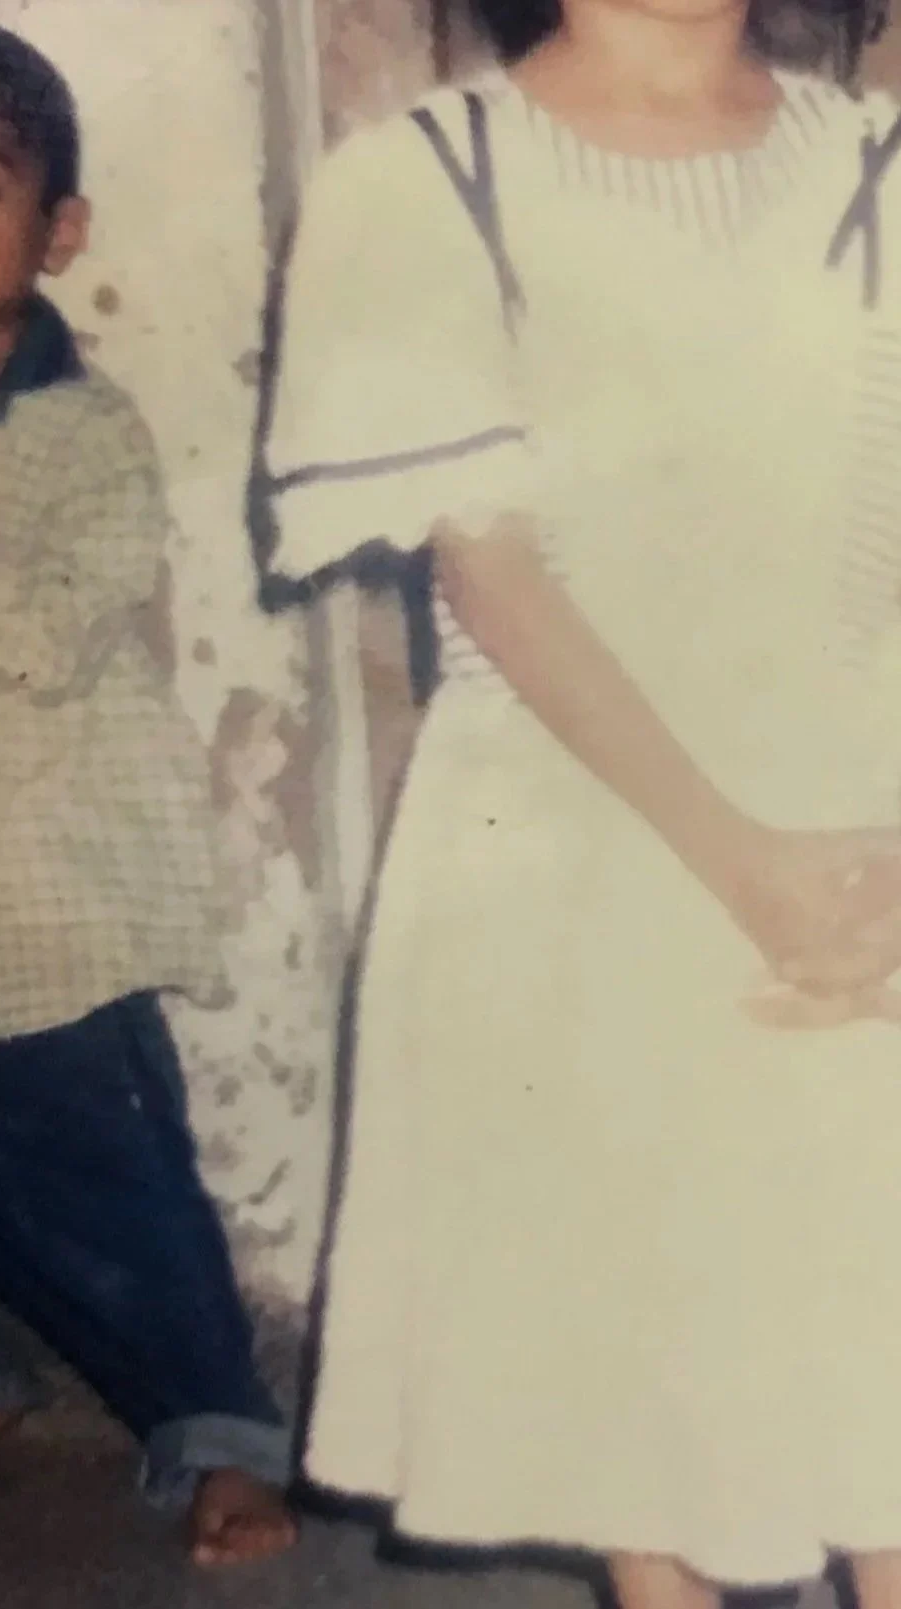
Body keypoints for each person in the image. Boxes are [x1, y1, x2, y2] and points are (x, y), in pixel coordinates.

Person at [251, 0, 901, 1600]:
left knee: (867, 1324)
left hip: (867, 810)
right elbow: (492, 561)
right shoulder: (417, 185)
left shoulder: (880, 167)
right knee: (639, 1351)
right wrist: (737, 857)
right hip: (574, 822)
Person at [0, 10, 295, 1566]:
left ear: (59, 224)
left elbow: (41, 641)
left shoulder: (83, 432)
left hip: (38, 895)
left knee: (102, 1170)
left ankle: (216, 1430)